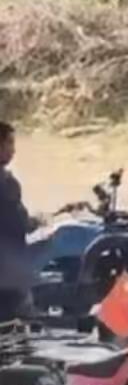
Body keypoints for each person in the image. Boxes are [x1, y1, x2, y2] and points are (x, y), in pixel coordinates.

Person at [0, 122, 40, 322]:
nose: (13, 150)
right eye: (9, 143)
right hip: (7, 273)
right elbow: (19, 223)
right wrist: (37, 222)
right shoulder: (6, 182)